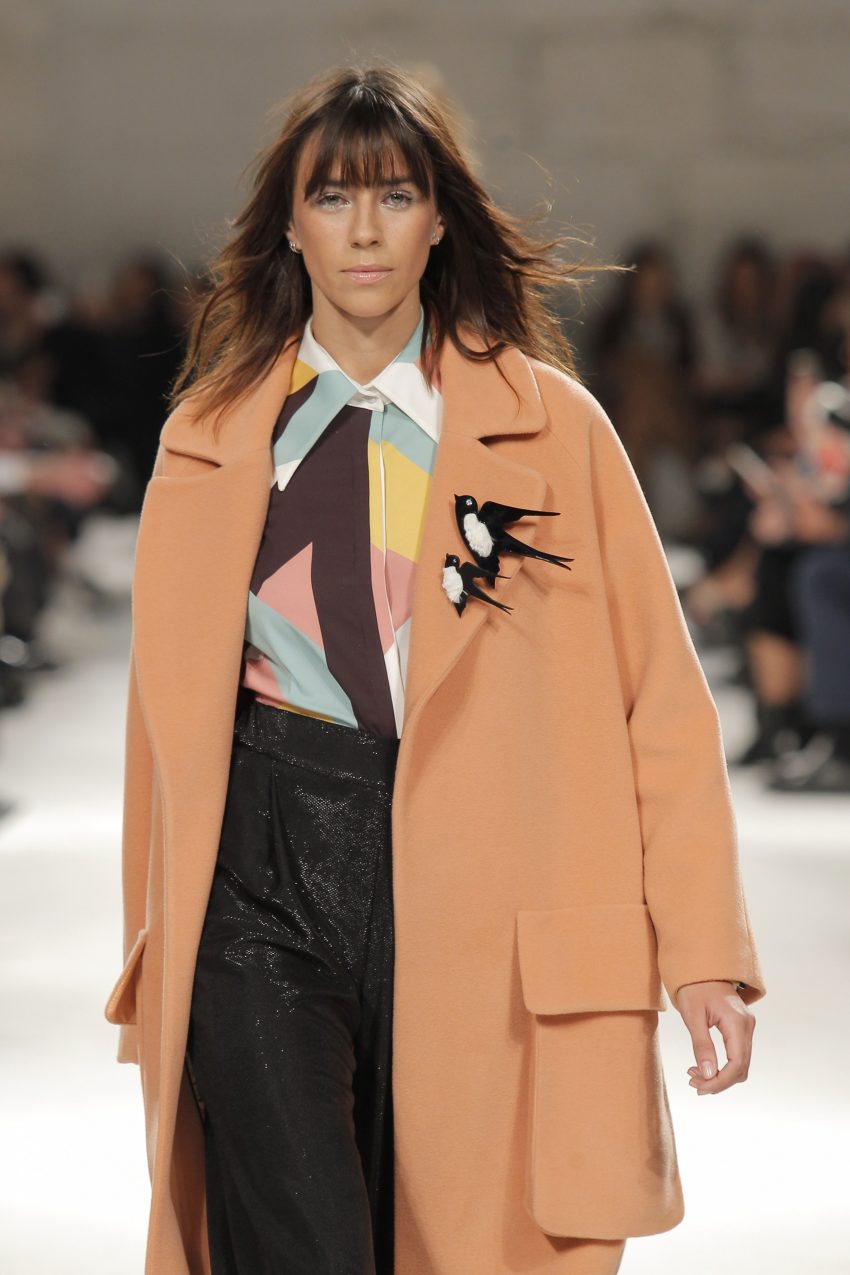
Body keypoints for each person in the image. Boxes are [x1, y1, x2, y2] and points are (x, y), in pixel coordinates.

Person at [103, 61, 766, 1275]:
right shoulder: (208, 441)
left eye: (395, 195)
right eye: (332, 197)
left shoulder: (553, 433)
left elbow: (658, 706)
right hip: (259, 873)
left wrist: (703, 953)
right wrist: (156, 946)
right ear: (289, 226)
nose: (363, 229)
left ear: (440, 219)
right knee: (304, 1242)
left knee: (463, 1241)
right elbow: (164, 737)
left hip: (486, 883)